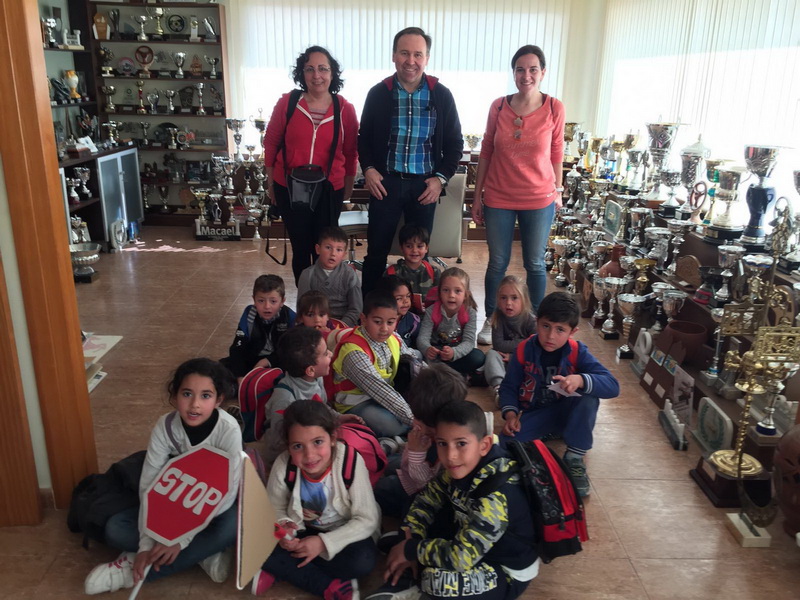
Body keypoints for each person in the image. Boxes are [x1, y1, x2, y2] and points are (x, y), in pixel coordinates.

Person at [84, 359, 242, 594]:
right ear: (174, 396)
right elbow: (148, 486)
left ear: (219, 400)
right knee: (116, 529)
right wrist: (147, 545)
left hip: (213, 508)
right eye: (187, 394)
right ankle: (203, 553)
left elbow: (227, 493)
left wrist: (180, 539)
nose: (195, 404)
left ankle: (131, 571)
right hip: (173, 503)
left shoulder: (228, 430)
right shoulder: (165, 427)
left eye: (206, 396)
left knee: (230, 527)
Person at [382, 400, 538, 600]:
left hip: (503, 569)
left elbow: (461, 558)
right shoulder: (460, 468)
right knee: (415, 503)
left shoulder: (496, 496)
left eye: (461, 444)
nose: (451, 456)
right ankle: (410, 554)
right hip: (468, 534)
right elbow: (425, 500)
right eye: (442, 443)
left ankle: (414, 578)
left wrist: (411, 549)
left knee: (437, 582)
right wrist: (411, 537)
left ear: (484, 445)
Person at [358, 26, 463, 297]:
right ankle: (371, 310)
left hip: (424, 188)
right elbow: (363, 138)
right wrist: (369, 169)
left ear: (426, 58)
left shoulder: (441, 95)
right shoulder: (379, 93)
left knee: (419, 256)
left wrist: (440, 180)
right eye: (404, 53)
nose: (411, 61)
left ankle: (419, 310)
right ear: (394, 56)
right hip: (386, 184)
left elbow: (455, 145)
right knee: (376, 252)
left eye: (418, 54)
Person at [472, 44, 565, 345]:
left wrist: (558, 190)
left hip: (539, 198)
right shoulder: (499, 107)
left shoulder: (554, 107)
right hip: (499, 196)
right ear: (513, 73)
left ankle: (536, 323)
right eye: (520, 69)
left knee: (535, 263)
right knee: (497, 262)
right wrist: (477, 196)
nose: (527, 75)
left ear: (543, 72)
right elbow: (486, 150)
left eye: (533, 69)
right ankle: (492, 320)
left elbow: (557, 151)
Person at [252, 400, 379, 599]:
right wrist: (285, 526)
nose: (309, 455)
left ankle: (285, 570)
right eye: (297, 446)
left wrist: (322, 543)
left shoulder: (350, 461)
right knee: (255, 541)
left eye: (318, 442)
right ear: (288, 447)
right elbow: (273, 509)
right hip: (303, 530)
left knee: (362, 561)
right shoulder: (283, 465)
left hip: (343, 530)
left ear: (333, 438)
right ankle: (329, 585)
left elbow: (367, 519)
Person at [499, 292, 619, 497]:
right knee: (505, 442)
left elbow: (613, 386)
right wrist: (510, 415)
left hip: (566, 410)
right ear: (537, 322)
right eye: (546, 326)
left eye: (560, 330)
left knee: (589, 397)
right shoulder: (523, 350)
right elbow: (509, 387)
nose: (551, 336)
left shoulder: (577, 351)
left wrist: (580, 379)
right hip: (536, 413)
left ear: (573, 331)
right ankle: (550, 432)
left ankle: (574, 457)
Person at [263, 46, 359, 284]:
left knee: (325, 248)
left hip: (329, 189)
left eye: (323, 69)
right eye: (310, 69)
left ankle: (323, 299)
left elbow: (351, 152)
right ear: (302, 73)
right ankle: (305, 298)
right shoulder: (288, 103)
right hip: (289, 186)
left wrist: (347, 188)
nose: (317, 75)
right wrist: (271, 183)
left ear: (332, 73)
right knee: (301, 246)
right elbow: (271, 143)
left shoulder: (345, 109)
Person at [372, 363, 467, 520]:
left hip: (418, 490)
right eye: (416, 416)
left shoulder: (446, 450)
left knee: (381, 489)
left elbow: (426, 486)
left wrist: (417, 453)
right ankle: (396, 448)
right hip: (410, 465)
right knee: (386, 464)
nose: (416, 422)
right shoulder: (434, 426)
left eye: (423, 422)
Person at [331, 290, 418, 438]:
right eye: (377, 322)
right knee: (392, 426)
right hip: (357, 403)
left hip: (385, 393)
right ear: (363, 319)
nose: (384, 328)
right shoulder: (353, 351)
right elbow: (380, 390)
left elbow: (414, 361)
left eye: (390, 322)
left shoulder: (394, 337)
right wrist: (413, 419)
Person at [416, 267, 485, 378]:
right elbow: (422, 338)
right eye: (446, 290)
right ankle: (453, 374)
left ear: (465, 295)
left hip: (457, 354)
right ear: (439, 292)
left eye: (457, 291)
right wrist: (427, 349)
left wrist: (454, 353)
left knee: (478, 357)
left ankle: (441, 374)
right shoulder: (431, 311)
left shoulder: (470, 313)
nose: (451, 295)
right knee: (419, 355)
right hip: (437, 353)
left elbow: (469, 342)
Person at [224, 274, 295, 378]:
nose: (267, 306)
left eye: (273, 301)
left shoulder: (289, 316)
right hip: (252, 359)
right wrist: (240, 376)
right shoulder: (249, 314)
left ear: (282, 302)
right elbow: (237, 348)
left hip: (279, 360)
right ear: (254, 300)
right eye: (261, 301)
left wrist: (268, 361)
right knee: (220, 369)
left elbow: (292, 349)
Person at [484, 275, 537, 404]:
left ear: (524, 300)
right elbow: (498, 345)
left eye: (514, 298)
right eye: (503, 298)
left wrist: (513, 357)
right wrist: (525, 342)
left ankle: (521, 390)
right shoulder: (498, 317)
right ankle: (499, 389)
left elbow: (535, 346)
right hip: (504, 360)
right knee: (491, 354)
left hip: (524, 361)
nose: (508, 303)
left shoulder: (531, 320)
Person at [297, 226, 362, 327]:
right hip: (315, 326)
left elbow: (356, 309)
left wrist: (339, 327)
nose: (333, 254)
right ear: (318, 249)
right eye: (328, 248)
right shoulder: (307, 275)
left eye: (339, 250)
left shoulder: (350, 275)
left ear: (344, 254)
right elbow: (302, 308)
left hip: (343, 327)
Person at [384, 224, 441, 313]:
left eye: (419, 246)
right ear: (401, 248)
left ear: (426, 248)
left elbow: (441, 299)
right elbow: (384, 301)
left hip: (428, 318)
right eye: (409, 246)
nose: (414, 250)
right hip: (399, 317)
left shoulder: (434, 272)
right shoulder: (391, 273)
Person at [375, 274, 421, 351]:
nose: (406, 301)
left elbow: (416, 345)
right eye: (399, 298)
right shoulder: (375, 320)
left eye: (408, 296)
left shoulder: (414, 321)